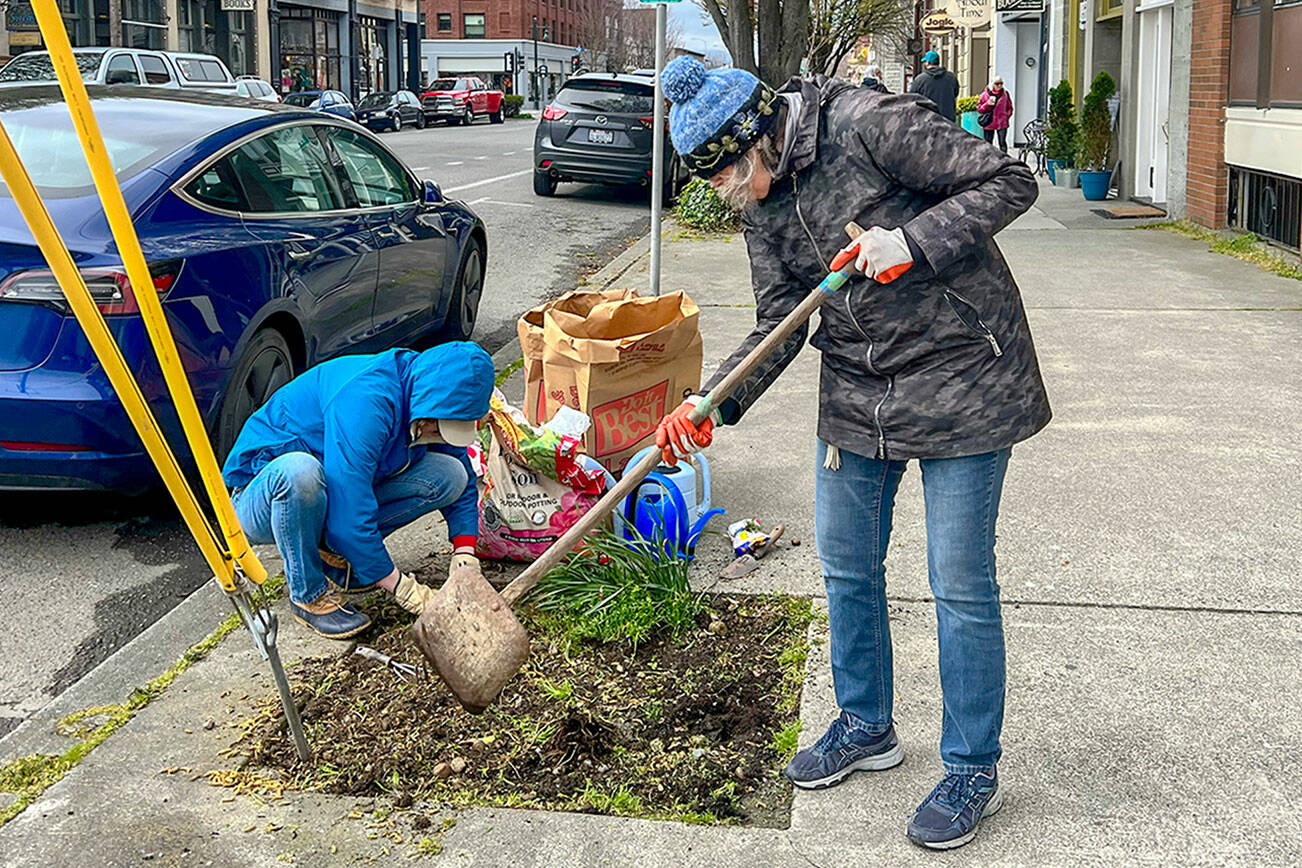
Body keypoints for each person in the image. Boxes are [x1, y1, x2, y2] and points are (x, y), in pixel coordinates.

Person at [654, 56, 1049, 850]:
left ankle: (973, 766)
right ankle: (867, 724)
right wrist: (714, 401)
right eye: (714, 181)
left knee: (958, 580)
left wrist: (911, 239)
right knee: (845, 562)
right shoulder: (756, 199)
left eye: (731, 169)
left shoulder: (868, 123)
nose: (728, 189)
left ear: (758, 133)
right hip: (858, 384)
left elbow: (1008, 180)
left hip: (961, 370)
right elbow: (780, 317)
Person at [221, 342, 494, 639]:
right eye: (439, 429)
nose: (440, 437)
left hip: (329, 488)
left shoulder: (426, 394)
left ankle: (339, 557)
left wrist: (465, 553)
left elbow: (463, 474)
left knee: (449, 475)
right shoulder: (368, 402)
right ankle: (308, 594)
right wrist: (399, 586)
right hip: (260, 496)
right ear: (430, 408)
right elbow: (349, 512)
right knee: (299, 473)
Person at [908, 50, 960, 121]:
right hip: (948, 120)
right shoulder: (951, 78)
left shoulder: (920, 79)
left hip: (927, 120)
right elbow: (956, 93)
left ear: (928, 63)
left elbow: (912, 98)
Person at [978, 77, 1014, 153]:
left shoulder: (1005, 94)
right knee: (988, 143)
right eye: (997, 84)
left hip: (1002, 122)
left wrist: (1006, 116)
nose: (999, 86)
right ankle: (988, 158)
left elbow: (1010, 107)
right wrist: (987, 104)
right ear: (992, 84)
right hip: (989, 122)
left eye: (1001, 83)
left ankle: (1004, 159)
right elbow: (980, 109)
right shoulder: (985, 95)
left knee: (1002, 142)